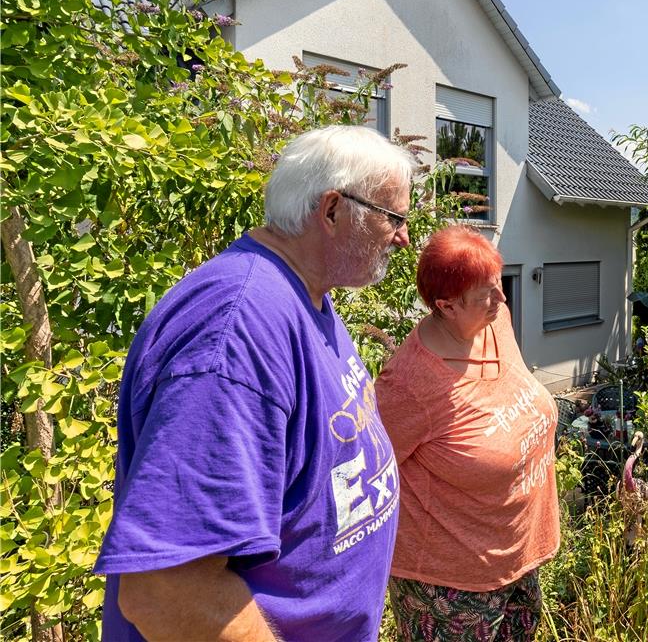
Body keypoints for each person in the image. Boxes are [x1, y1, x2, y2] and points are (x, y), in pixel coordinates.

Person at [94, 125, 413, 641]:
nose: (403, 237)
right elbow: (165, 592)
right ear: (332, 210)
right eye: (393, 217)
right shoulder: (234, 331)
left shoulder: (305, 294)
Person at [376, 225, 559, 642]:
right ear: (447, 305)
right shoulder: (409, 386)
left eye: (499, 285)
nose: (503, 299)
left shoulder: (496, 325)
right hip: (449, 585)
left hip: (516, 559)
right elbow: (365, 472)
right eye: (487, 295)